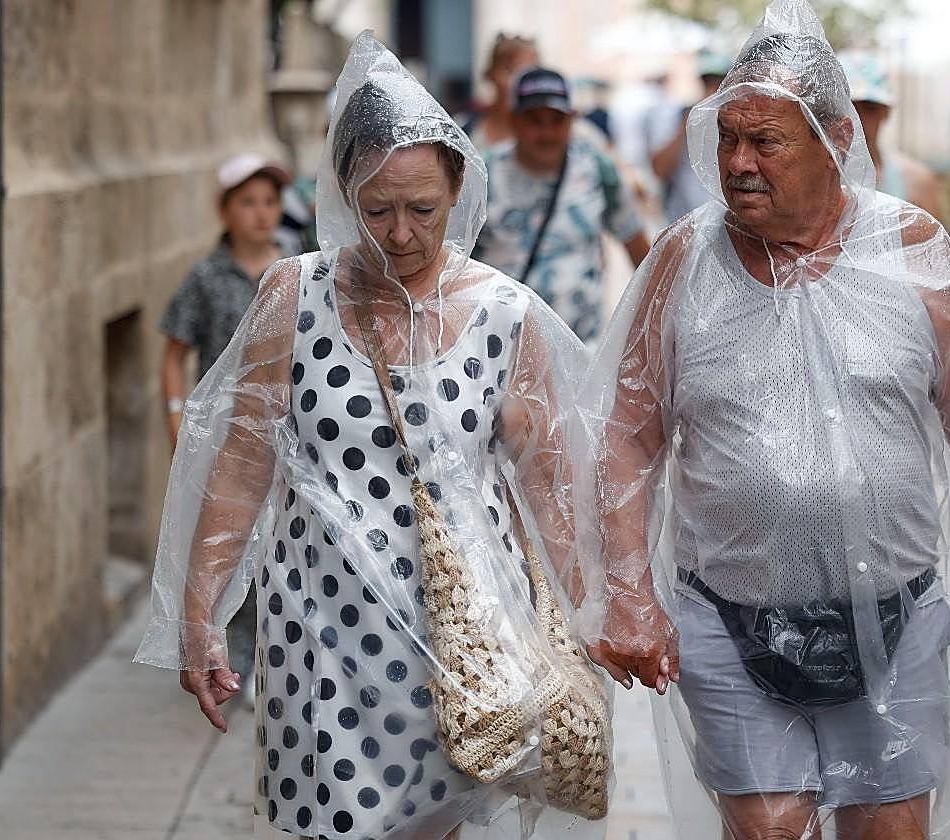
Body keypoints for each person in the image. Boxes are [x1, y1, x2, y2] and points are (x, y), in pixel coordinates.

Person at [574, 4, 950, 839]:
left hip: (897, 615)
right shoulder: (685, 259)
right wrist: (626, 593)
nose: (737, 163)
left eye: (765, 142)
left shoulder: (911, 247)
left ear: (836, 140)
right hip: (727, 614)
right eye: (728, 138)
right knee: (767, 829)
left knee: (890, 830)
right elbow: (624, 431)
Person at [136, 33, 602, 840]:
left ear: (458, 190)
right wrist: (200, 613)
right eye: (378, 209)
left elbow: (548, 476)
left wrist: (595, 616)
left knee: (435, 824)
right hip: (321, 625)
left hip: (460, 631)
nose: (401, 234)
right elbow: (242, 460)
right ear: (345, 193)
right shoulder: (294, 295)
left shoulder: (504, 314)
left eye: (423, 209)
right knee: (336, 820)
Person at [160, 152, 295, 696]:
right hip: (221, 434)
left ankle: (271, 650)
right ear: (224, 210)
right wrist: (176, 418)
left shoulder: (296, 271)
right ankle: (225, 653)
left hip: (282, 435)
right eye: (248, 202)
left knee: (274, 540)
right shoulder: (205, 277)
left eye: (270, 201)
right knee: (223, 540)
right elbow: (174, 352)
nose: (261, 213)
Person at [474, 67, 650, 343]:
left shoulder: (596, 167)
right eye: (534, 121)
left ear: (572, 120)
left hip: (580, 349)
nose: (547, 133)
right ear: (513, 120)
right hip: (496, 347)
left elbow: (639, 247)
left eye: (557, 121)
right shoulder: (481, 173)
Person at [840, 50, 941, 219]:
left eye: (869, 107)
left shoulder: (915, 183)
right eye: (849, 106)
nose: (858, 118)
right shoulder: (812, 182)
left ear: (886, 111)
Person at [650, 50, 731, 225]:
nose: (713, 89)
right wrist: (687, 125)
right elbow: (659, 169)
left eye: (718, 82)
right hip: (684, 223)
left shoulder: (737, 123)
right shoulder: (679, 117)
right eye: (708, 82)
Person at [462, 33, 539, 150]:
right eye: (510, 70)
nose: (518, 82)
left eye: (529, 73)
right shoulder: (464, 128)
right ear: (491, 74)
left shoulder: (549, 136)